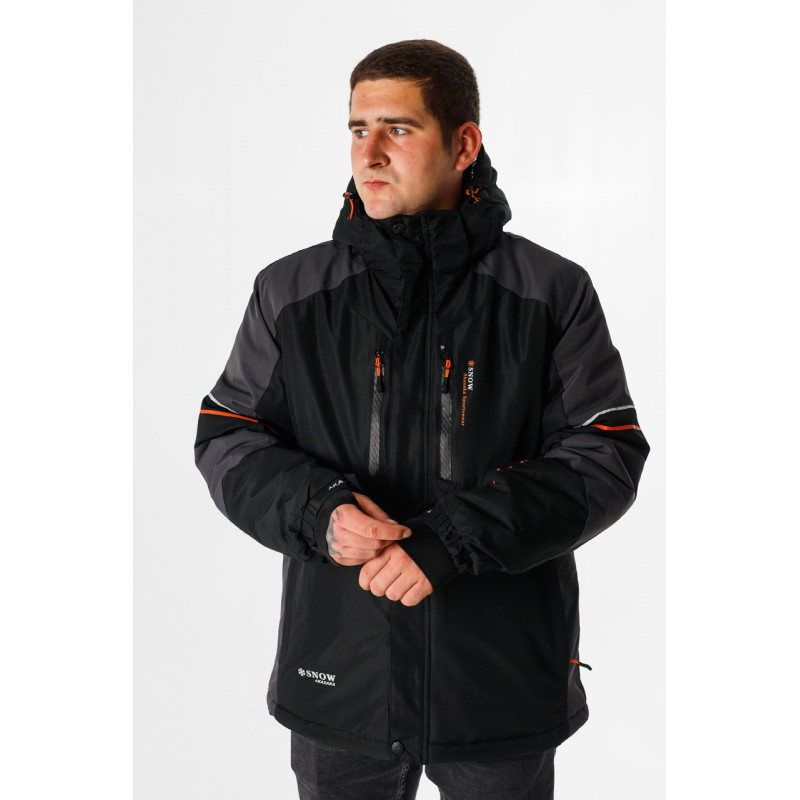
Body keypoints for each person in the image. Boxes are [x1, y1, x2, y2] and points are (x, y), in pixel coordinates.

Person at [194, 39, 649, 800]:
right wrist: (318, 512)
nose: (368, 152)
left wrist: (450, 542)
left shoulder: (548, 292)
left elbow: (605, 452)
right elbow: (228, 432)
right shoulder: (291, 292)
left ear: (464, 145)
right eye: (357, 128)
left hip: (497, 679)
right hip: (341, 673)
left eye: (398, 128)